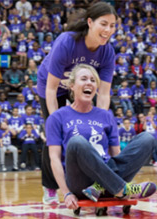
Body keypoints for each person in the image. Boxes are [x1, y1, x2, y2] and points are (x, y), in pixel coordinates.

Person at [37, 2, 118, 205]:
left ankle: (94, 182)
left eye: (112, 25)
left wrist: (97, 122)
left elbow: (104, 93)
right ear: (90, 23)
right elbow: (51, 89)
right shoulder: (67, 42)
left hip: (81, 86)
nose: (108, 30)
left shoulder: (107, 52)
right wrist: (58, 122)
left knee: (92, 130)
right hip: (52, 87)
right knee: (54, 135)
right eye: (104, 24)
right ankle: (50, 186)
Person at [46, 64, 156, 208]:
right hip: (80, 182)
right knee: (76, 142)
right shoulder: (57, 117)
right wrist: (66, 193)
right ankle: (122, 189)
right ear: (72, 86)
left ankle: (102, 186)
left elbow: (117, 155)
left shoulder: (106, 116)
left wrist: (118, 176)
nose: (89, 83)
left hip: (106, 176)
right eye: (84, 79)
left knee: (147, 138)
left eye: (93, 80)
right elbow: (54, 159)